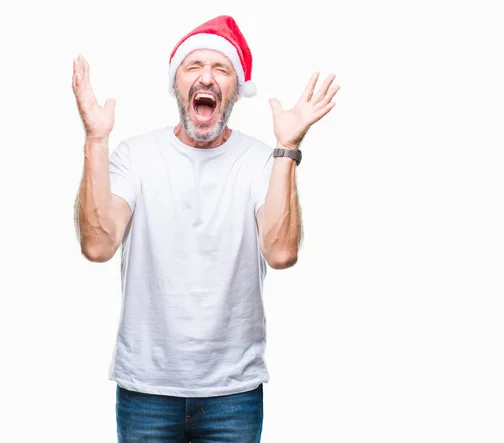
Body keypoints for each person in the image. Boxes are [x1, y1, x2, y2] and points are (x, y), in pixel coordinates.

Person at [72, 15, 339, 443]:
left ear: (236, 89)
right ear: (176, 83)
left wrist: (287, 149)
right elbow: (98, 245)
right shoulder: (135, 156)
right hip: (146, 390)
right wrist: (95, 141)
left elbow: (282, 254)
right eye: (193, 66)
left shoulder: (260, 160)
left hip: (232, 394)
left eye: (222, 69)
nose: (207, 78)